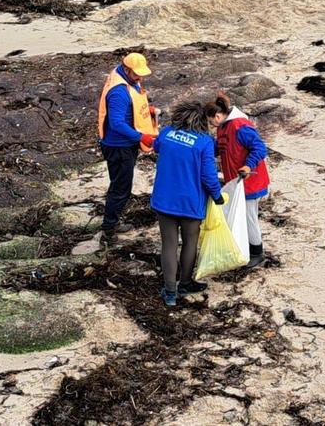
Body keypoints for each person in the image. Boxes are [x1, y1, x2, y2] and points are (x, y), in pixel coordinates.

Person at [150, 100, 225, 307]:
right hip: (191, 202)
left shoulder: (166, 133)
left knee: (169, 244)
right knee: (190, 243)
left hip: (164, 200)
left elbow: (155, 146)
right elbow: (209, 176)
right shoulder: (204, 142)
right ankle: (185, 282)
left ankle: (170, 292)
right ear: (202, 120)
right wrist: (217, 196)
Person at [96, 52, 160, 245]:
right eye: (136, 74)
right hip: (118, 146)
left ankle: (113, 222)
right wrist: (142, 137)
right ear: (126, 69)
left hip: (123, 144)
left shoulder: (125, 78)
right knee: (120, 188)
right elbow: (117, 123)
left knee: (121, 185)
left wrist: (146, 111)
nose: (140, 77)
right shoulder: (118, 92)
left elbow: (132, 106)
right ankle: (108, 230)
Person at [210, 93, 269, 269]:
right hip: (235, 182)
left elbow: (260, 148)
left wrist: (248, 166)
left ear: (218, 116)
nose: (211, 125)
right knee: (240, 216)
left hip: (250, 181)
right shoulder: (222, 128)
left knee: (250, 217)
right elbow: (219, 148)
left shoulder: (240, 126)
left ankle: (257, 252)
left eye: (211, 121)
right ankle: (244, 248)